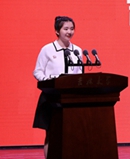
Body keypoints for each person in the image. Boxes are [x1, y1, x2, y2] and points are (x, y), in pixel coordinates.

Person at [32, 16, 83, 157]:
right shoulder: (47, 49)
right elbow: (38, 71)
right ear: (57, 31)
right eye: (66, 29)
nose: (69, 32)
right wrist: (49, 82)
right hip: (52, 97)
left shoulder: (77, 51)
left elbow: (79, 74)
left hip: (71, 98)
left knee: (72, 133)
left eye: (72, 29)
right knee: (52, 133)